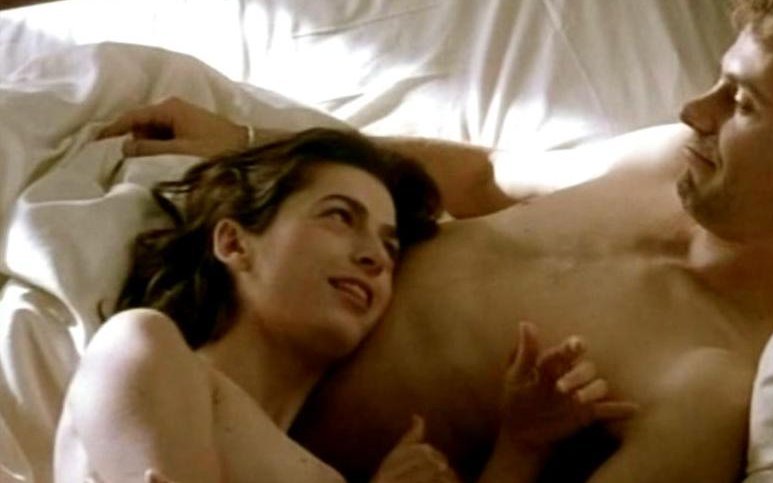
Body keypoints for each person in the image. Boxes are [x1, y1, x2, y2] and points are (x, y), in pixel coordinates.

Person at [96, 0, 773, 480]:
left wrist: (516, 449)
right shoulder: (670, 162)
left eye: (739, 104)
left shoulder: (703, 385)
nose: (691, 110)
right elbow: (484, 175)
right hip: (219, 344)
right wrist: (251, 143)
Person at [53, 128, 637, 482]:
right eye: (339, 217)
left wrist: (521, 447)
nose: (374, 257)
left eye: (390, 245)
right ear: (233, 242)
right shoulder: (142, 347)